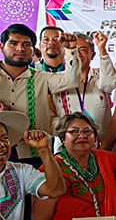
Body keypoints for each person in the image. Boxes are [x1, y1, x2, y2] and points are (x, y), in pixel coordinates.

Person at [0, 24, 81, 161]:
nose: (20, 48)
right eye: (14, 43)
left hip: (35, 154)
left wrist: (71, 50)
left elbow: (71, 80)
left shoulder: (41, 78)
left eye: (27, 44)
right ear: (2, 46)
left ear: (33, 50)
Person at [50, 32, 116, 144]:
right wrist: (69, 133)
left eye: (83, 50)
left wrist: (102, 50)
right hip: (65, 145)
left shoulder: (101, 75)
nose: (78, 54)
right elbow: (50, 117)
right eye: (73, 50)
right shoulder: (56, 80)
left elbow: (110, 84)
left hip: (101, 144)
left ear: (93, 55)